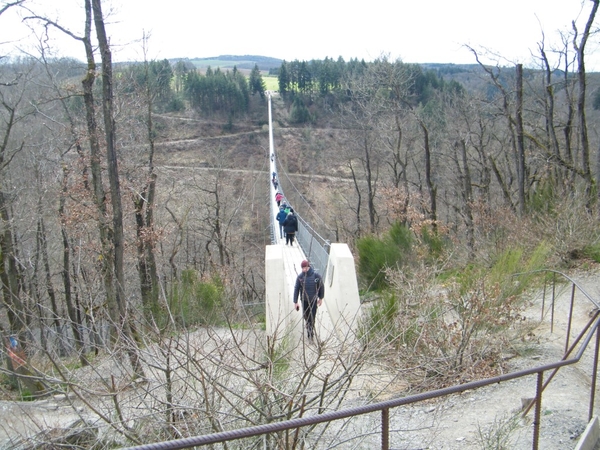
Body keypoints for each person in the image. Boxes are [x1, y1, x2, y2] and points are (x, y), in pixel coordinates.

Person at [293, 260, 324, 342]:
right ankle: (309, 327)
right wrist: (295, 302)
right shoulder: (300, 277)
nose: (304, 270)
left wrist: (320, 298)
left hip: (313, 300)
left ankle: (310, 334)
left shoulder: (316, 276)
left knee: (312, 317)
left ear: (309, 267)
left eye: (305, 267)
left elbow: (321, 286)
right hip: (304, 300)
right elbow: (296, 289)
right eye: (303, 268)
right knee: (306, 316)